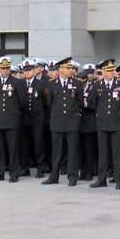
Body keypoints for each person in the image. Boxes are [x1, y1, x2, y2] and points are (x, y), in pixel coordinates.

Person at [88, 59, 120, 190]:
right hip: (102, 123)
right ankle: (102, 179)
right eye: (109, 70)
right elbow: (92, 103)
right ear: (103, 72)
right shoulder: (97, 86)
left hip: (117, 123)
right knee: (103, 153)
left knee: (118, 153)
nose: (112, 73)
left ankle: (119, 180)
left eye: (113, 70)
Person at [42, 57, 84, 187]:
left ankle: (72, 177)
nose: (71, 70)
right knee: (57, 151)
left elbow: (80, 102)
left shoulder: (77, 83)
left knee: (72, 151)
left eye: (71, 68)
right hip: (57, 121)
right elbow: (50, 102)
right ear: (60, 69)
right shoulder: (52, 83)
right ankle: (54, 176)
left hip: (72, 122)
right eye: (68, 68)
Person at [0, 57, 27, 182]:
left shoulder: (17, 82)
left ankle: (14, 173)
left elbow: (23, 102)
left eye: (7, 68)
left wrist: (14, 113)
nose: (5, 70)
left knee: (13, 149)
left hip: (11, 121)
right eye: (3, 68)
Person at [20, 60, 49, 177]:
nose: (27, 73)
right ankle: (25, 168)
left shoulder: (40, 84)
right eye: (25, 70)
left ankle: (41, 168)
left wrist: (44, 118)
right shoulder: (20, 83)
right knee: (24, 145)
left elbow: (46, 103)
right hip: (24, 118)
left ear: (34, 70)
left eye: (29, 70)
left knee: (39, 144)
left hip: (37, 119)